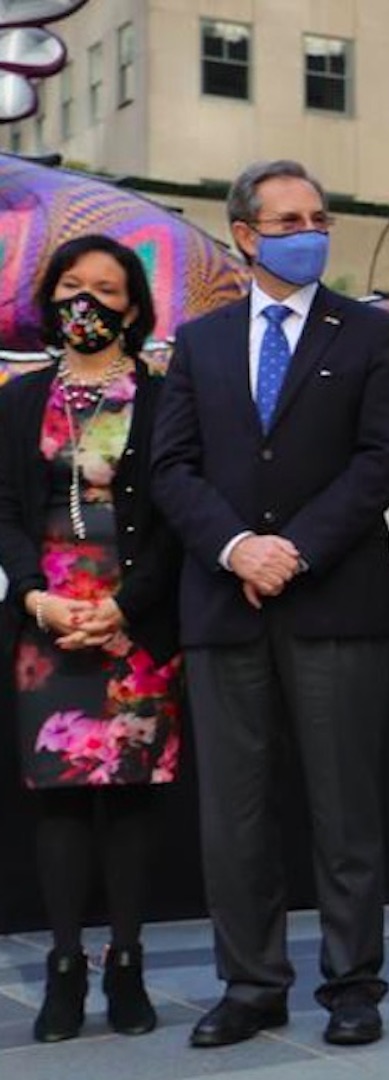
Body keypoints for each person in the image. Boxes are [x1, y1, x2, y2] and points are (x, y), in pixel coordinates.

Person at [150, 160, 389, 1049]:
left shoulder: (368, 333)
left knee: (345, 811)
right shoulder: (200, 342)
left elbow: (382, 461)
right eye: (289, 220)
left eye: (319, 218)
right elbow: (171, 467)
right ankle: (251, 984)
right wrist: (237, 548)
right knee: (234, 816)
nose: (310, 233)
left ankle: (353, 984)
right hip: (224, 606)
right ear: (245, 235)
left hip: (334, 603)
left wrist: (293, 549)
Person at [0, 235, 183, 1042]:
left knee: (132, 796)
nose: (87, 302)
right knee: (62, 797)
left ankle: (127, 964)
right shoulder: (18, 399)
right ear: (50, 300)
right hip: (46, 622)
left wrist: (128, 607)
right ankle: (65, 969)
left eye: (106, 290)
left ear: (133, 307)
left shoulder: (167, 398)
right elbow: (4, 508)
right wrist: (34, 597)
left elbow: (178, 515)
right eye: (72, 285)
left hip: (132, 623)